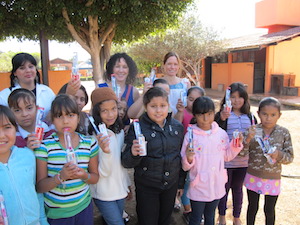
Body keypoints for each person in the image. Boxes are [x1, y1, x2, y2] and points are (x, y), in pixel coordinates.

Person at [122, 87, 185, 225]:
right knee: (148, 220)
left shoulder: (176, 127)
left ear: (168, 105)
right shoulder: (138, 129)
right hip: (147, 186)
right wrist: (133, 153)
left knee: (165, 219)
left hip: (170, 185)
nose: (158, 110)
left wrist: (180, 182)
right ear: (145, 107)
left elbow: (179, 158)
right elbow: (126, 162)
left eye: (162, 106)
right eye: (153, 106)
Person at [35, 94, 99, 225]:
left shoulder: (89, 143)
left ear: (78, 117)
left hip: (83, 207)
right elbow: (40, 186)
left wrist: (83, 175)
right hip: (58, 214)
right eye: (59, 116)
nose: (65, 121)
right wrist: (60, 177)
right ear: (52, 119)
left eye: (70, 115)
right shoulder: (44, 147)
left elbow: (95, 178)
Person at [180, 96, 243, 225]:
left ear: (214, 114)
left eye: (209, 114)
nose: (205, 119)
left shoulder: (221, 134)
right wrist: (189, 158)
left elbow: (226, 156)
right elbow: (185, 165)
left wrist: (235, 145)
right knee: (196, 218)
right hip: (199, 185)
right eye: (201, 115)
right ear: (195, 115)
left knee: (210, 217)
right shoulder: (190, 135)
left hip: (216, 185)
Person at [241, 97, 293, 225]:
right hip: (253, 176)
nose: (268, 118)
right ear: (258, 114)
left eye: (273, 115)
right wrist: (247, 139)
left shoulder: (284, 133)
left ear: (279, 115)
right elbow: (241, 153)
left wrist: (278, 154)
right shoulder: (252, 131)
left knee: (269, 209)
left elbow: (290, 157)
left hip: (273, 178)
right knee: (252, 207)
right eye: (264, 114)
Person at [214, 82, 257, 225]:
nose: (236, 100)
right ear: (227, 98)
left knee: (238, 190)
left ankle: (237, 216)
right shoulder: (224, 115)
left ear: (245, 99)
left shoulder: (250, 117)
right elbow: (214, 131)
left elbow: (255, 138)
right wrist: (221, 118)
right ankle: (221, 215)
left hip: (242, 162)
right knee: (223, 190)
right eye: (233, 97)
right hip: (225, 162)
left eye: (240, 97)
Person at [89, 87, 131, 225]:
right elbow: (102, 173)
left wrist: (127, 185)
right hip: (103, 193)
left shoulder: (118, 132)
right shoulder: (93, 138)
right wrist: (106, 152)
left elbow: (120, 164)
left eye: (113, 109)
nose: (111, 114)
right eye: (104, 111)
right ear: (97, 112)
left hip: (119, 189)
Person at [0, 105, 48, 225]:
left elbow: (36, 193)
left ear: (15, 129)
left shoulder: (27, 156)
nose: (1, 135)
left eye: (7, 127)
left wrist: (43, 221)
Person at [173, 86, 205, 223]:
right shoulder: (183, 112)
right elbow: (176, 124)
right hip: (183, 155)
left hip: (198, 157)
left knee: (194, 182)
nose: (193, 103)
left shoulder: (204, 115)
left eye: (197, 100)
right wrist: (180, 111)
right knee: (185, 183)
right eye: (190, 99)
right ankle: (187, 209)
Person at [0, 53, 55, 120]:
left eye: (31, 67)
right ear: (14, 73)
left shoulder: (47, 91)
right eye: (22, 68)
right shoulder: (4, 96)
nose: (28, 71)